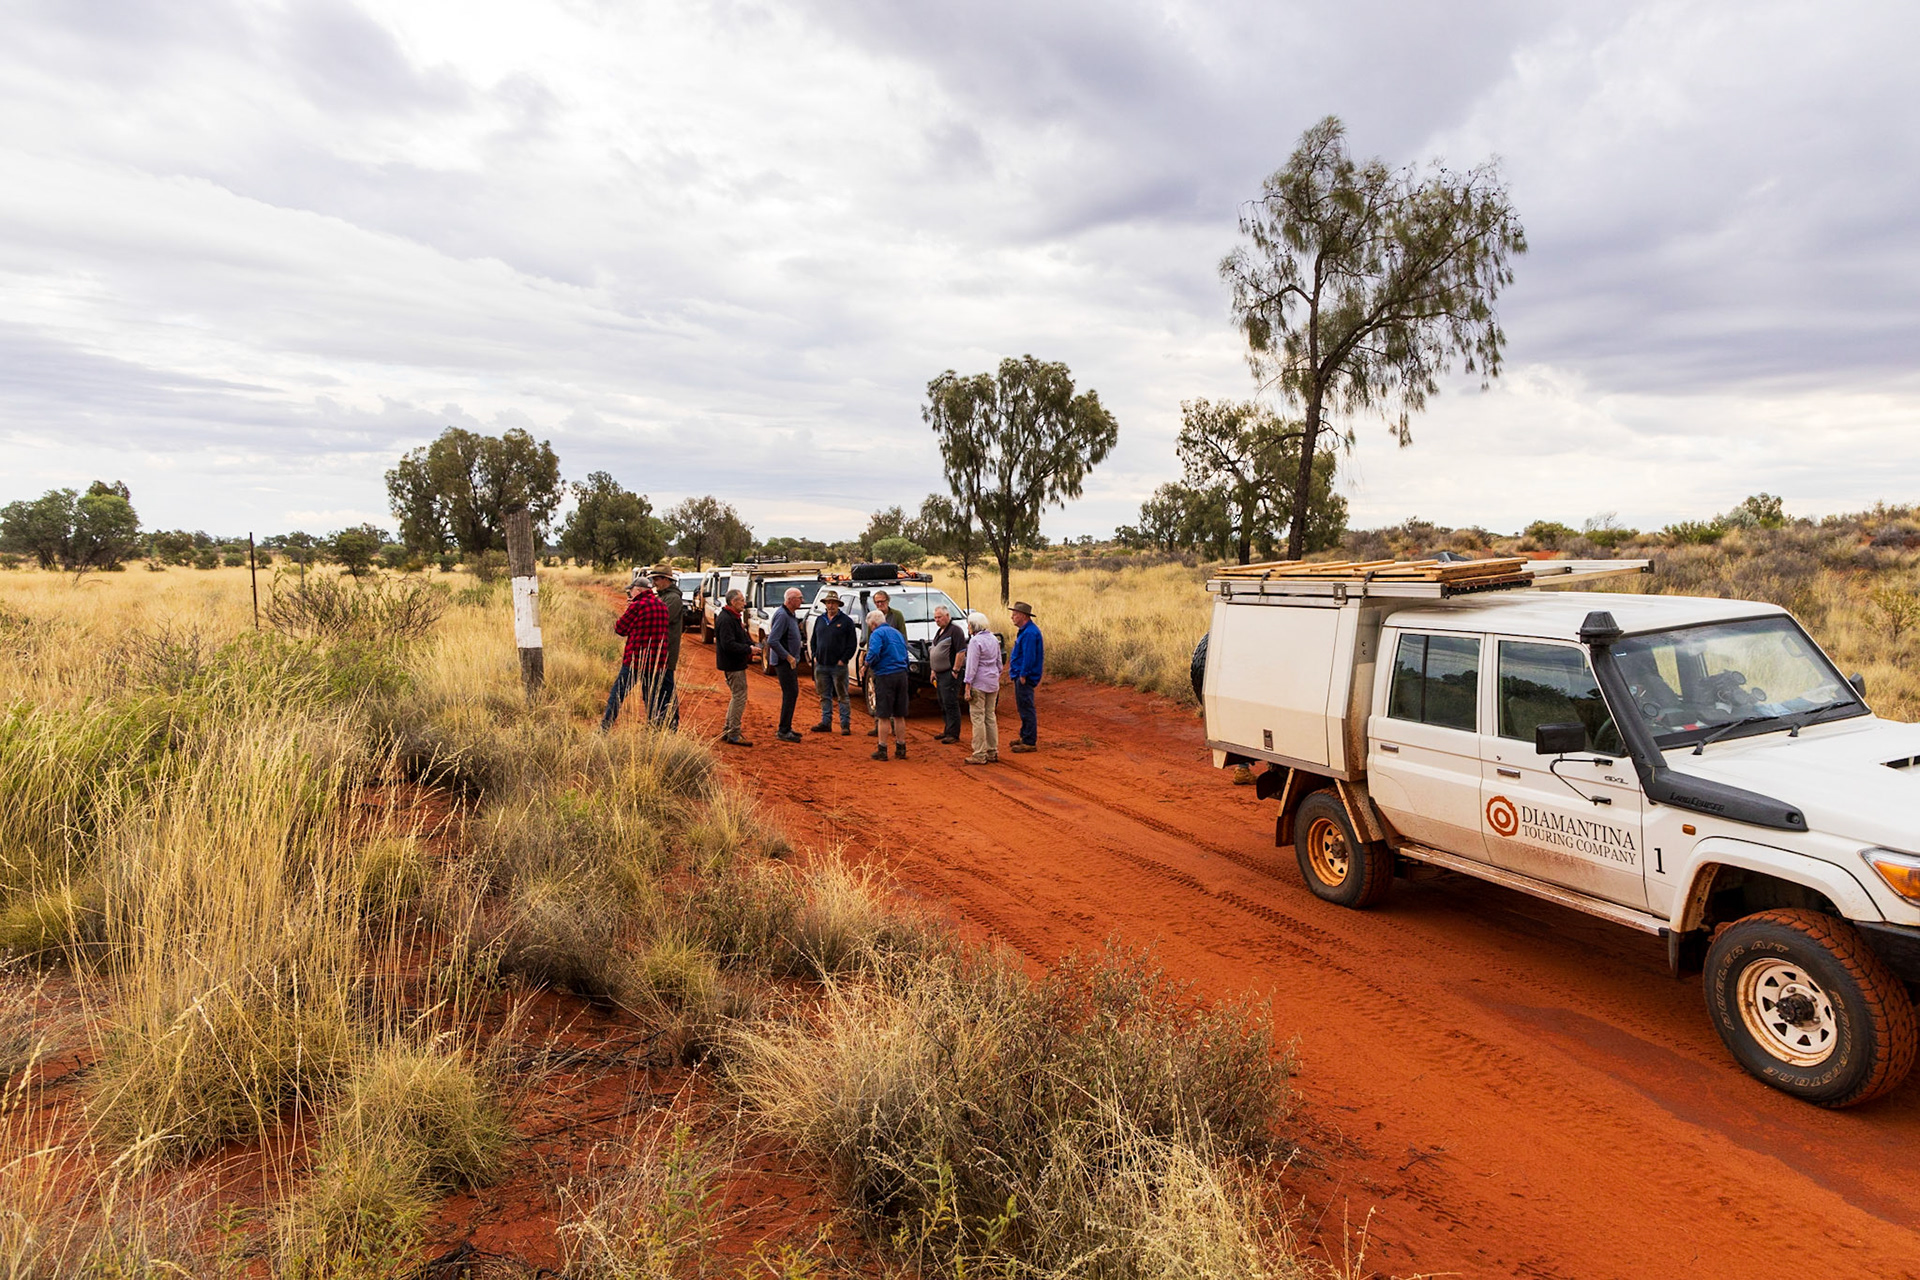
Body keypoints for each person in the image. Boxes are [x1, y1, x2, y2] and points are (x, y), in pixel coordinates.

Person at [602, 568, 668, 733]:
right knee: (651, 698)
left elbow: (620, 629)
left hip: (635, 660)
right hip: (655, 661)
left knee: (617, 694)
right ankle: (654, 729)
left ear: (638, 590)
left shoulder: (637, 606)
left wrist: (629, 608)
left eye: (630, 591)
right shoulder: (661, 605)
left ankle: (605, 728)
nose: (629, 594)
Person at [809, 589, 858, 735]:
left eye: (833, 603)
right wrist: (815, 656)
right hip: (821, 665)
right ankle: (826, 722)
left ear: (838, 605)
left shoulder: (846, 621)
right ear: (825, 604)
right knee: (824, 695)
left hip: (838, 666)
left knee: (842, 696)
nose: (831, 606)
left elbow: (852, 644)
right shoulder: (820, 620)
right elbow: (813, 640)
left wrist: (843, 660)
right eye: (828, 603)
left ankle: (845, 724)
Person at [864, 609, 911, 760]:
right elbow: (905, 653)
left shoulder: (877, 634)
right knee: (899, 714)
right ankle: (901, 747)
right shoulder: (897, 633)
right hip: (901, 674)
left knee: (883, 715)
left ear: (873, 624)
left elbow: (874, 651)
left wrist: (867, 664)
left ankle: (882, 749)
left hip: (885, 675)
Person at [864, 588, 908, 735]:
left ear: (888, 601)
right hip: (885, 666)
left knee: (888, 701)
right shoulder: (874, 618)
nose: (879, 604)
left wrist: (867, 662)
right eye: (876, 602)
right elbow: (871, 642)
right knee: (878, 697)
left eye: (882, 601)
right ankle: (879, 726)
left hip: (888, 664)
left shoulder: (897, 616)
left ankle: (888, 734)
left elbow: (903, 638)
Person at [766, 585, 806, 743]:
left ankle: (786, 727)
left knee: (792, 694)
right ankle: (783, 730)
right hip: (784, 663)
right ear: (791, 600)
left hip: (789, 662)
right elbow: (772, 640)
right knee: (790, 694)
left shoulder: (790, 614)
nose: (802, 600)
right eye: (800, 598)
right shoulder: (783, 615)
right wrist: (788, 657)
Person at [647, 565, 684, 728]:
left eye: (657, 579)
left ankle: (671, 723)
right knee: (659, 689)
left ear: (666, 579)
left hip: (666, 653)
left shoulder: (673, 599)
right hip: (658, 652)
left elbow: (660, 619)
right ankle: (661, 721)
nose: (654, 583)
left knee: (666, 689)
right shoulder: (663, 597)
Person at [962, 610, 1001, 765]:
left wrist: (967, 685)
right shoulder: (993, 639)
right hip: (992, 682)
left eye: (968, 625)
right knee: (990, 716)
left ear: (972, 626)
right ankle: (992, 751)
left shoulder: (975, 641)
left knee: (978, 717)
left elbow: (971, 666)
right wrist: (994, 676)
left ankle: (979, 753)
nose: (968, 628)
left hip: (978, 683)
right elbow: (999, 663)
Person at [1007, 601, 1045, 753]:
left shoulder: (1029, 633)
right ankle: (1025, 735)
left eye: (1015, 615)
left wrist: (1023, 674)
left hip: (1024, 676)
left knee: (1026, 707)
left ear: (1023, 616)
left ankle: (1029, 741)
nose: (1012, 617)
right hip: (1020, 674)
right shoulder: (1027, 631)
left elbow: (1029, 656)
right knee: (1023, 706)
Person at [929, 603, 967, 744]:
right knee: (943, 702)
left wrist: (955, 670)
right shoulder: (940, 632)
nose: (937, 620)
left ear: (947, 616)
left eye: (939, 617)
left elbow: (961, 651)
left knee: (950, 702)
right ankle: (947, 730)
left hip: (949, 673)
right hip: (939, 673)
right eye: (935, 618)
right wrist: (933, 670)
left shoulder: (955, 631)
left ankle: (953, 733)